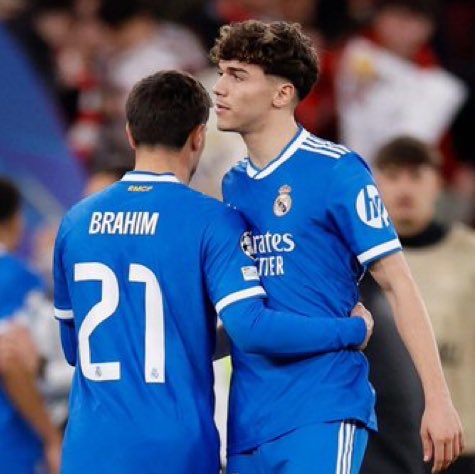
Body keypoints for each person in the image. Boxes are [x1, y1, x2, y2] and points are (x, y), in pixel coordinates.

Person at [52, 70, 373, 474]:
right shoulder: (211, 220)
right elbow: (251, 328)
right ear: (198, 136)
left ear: (131, 134)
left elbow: (73, 349)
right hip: (176, 448)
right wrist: (351, 330)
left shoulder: (76, 222)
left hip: (88, 448)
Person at [211, 19, 464, 474]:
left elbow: (399, 284)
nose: (220, 88)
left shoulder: (337, 170)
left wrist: (438, 400)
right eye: (222, 73)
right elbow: (249, 314)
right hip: (248, 421)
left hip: (322, 408)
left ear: (282, 94)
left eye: (237, 75)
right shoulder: (233, 185)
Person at [372, 136, 475, 474]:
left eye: (416, 176)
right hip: (381, 443)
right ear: (374, 185)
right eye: (392, 176)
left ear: (437, 183)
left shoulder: (470, 255)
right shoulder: (353, 265)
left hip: (460, 442)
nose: (404, 189)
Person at [0, 177, 62, 474]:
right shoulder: (18, 279)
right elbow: (10, 359)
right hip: (11, 443)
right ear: (15, 219)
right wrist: (52, 438)